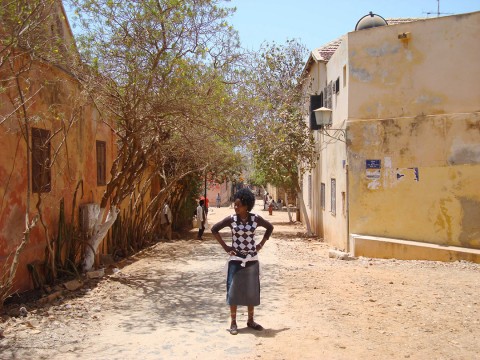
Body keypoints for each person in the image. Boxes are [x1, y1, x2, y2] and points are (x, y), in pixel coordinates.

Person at [211, 188, 274, 335]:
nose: (236, 207)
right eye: (235, 204)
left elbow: (270, 227)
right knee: (233, 291)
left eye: (238, 205)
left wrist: (260, 245)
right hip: (236, 259)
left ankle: (250, 320)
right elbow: (214, 229)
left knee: (251, 290)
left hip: (251, 260)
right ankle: (233, 322)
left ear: (246, 205)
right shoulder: (231, 219)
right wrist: (226, 247)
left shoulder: (255, 219)